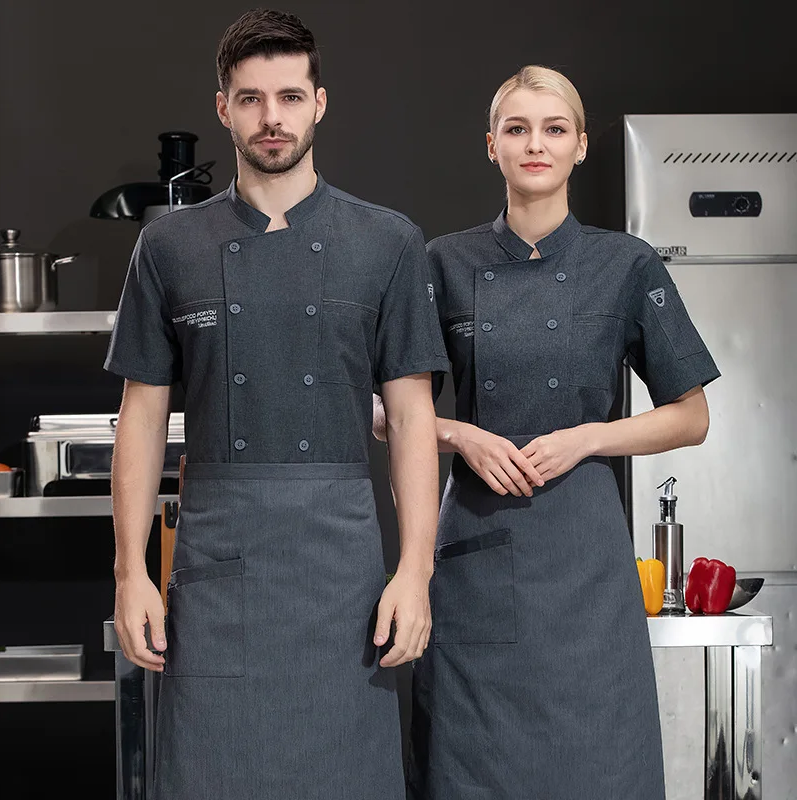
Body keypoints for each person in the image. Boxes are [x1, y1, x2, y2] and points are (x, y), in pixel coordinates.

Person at [105, 9, 449, 799]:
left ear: (319, 104)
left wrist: (416, 570)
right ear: (223, 107)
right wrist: (131, 573)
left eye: (290, 96)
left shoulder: (387, 241)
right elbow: (142, 420)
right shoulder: (168, 246)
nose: (272, 118)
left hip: (342, 576)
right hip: (217, 569)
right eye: (252, 98)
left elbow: (412, 418)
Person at [374, 65, 720, 798]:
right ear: (491, 145)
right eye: (518, 128)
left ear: (582, 146)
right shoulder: (441, 262)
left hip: (588, 570)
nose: (537, 143)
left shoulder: (625, 265)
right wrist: (462, 436)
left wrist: (587, 438)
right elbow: (386, 415)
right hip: (472, 560)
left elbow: (691, 416)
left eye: (554, 128)